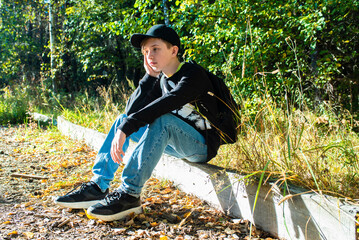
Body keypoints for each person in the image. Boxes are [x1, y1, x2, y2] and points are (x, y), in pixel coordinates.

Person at [54, 24, 225, 222]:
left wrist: (127, 128)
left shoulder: (192, 74)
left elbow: (167, 103)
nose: (149, 55)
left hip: (201, 145)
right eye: (145, 51)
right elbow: (130, 113)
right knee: (122, 119)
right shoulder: (161, 79)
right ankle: (98, 186)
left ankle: (129, 194)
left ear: (174, 50)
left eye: (155, 49)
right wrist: (149, 78)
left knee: (163, 120)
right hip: (176, 142)